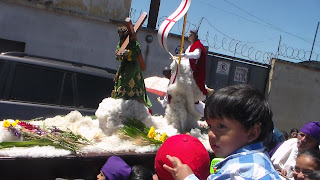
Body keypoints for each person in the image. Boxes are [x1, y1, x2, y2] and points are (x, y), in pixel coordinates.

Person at [154, 84, 282, 180]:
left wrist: (187, 177)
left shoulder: (241, 170)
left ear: (252, 132)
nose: (211, 134)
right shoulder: (259, 160)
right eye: (210, 126)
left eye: (221, 126)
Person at [112, 26, 152, 108]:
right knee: (121, 82)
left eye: (121, 34)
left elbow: (137, 50)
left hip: (133, 66)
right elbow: (117, 53)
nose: (120, 36)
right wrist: (120, 55)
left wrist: (128, 53)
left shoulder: (133, 41)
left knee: (133, 83)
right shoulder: (121, 42)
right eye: (119, 34)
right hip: (124, 66)